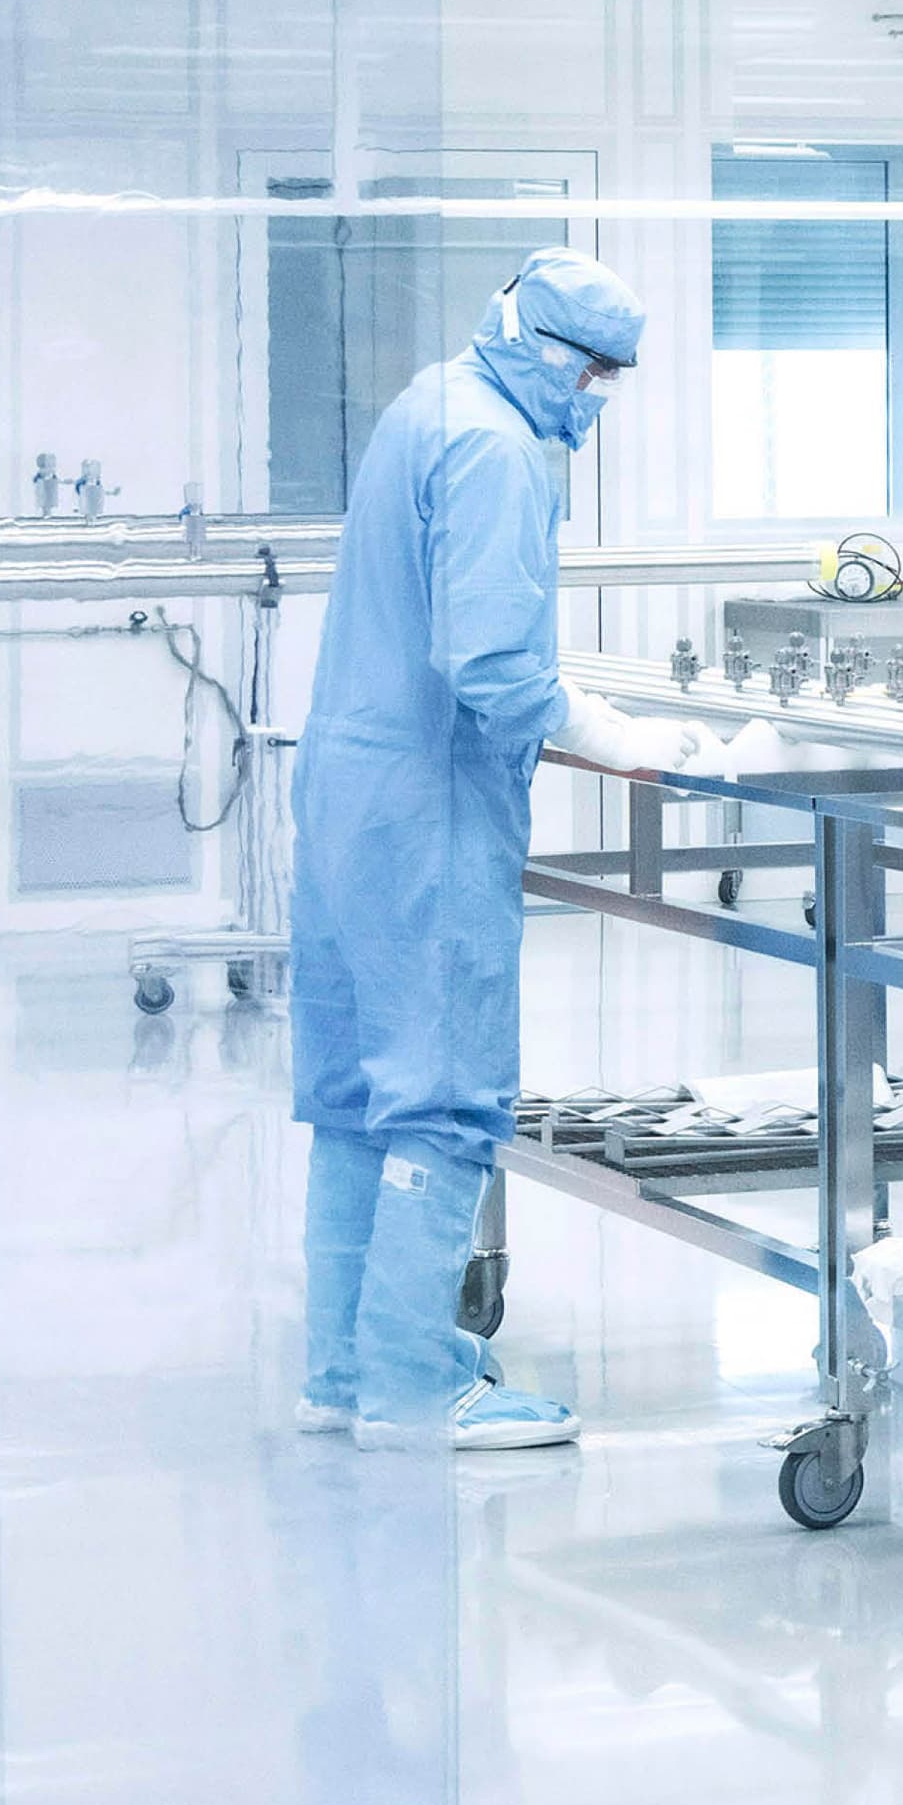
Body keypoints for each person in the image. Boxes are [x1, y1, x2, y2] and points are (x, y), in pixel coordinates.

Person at [287, 248, 701, 1451]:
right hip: (430, 801)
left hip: (352, 788)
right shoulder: (499, 449)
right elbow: (492, 664)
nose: (598, 400)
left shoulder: (433, 400)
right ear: (547, 351)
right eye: (595, 375)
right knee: (443, 1095)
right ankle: (416, 1388)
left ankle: (343, 1370)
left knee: (358, 1092)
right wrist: (611, 736)